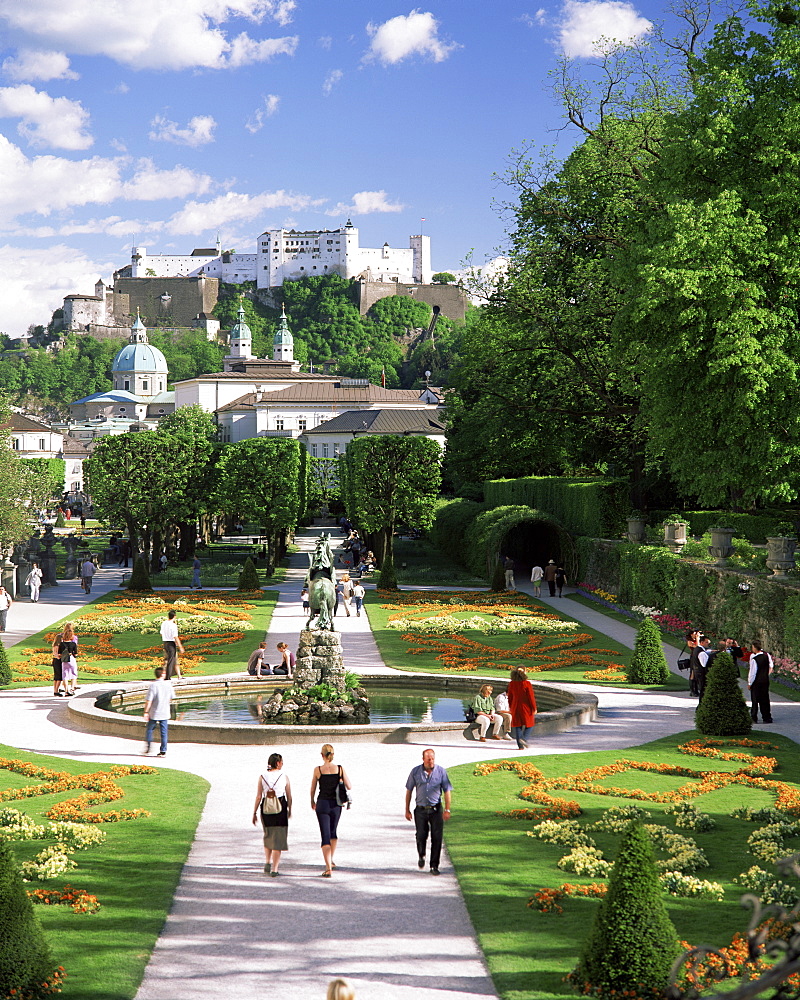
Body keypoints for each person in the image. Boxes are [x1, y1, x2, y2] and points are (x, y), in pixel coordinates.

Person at [405, 748, 452, 876]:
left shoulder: (441, 772)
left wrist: (447, 809)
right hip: (420, 809)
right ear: (423, 759)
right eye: (428, 759)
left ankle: (434, 865)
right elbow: (409, 790)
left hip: (436, 809)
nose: (431, 761)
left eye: (432, 759)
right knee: (421, 835)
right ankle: (421, 854)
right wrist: (407, 810)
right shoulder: (415, 772)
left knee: (437, 838)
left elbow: (447, 791)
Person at [310, 743, 352, 877]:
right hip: (336, 805)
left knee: (325, 835)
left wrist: (312, 800)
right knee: (333, 833)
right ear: (333, 755)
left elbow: (313, 789)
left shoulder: (318, 770)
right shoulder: (340, 769)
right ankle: (331, 860)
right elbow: (349, 786)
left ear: (322, 755)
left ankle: (328, 868)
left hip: (322, 804)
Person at [252, 752, 292, 876]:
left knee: (268, 835)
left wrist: (254, 812)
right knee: (278, 838)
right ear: (278, 763)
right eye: (282, 762)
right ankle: (274, 869)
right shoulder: (284, 776)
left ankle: (267, 861)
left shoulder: (262, 776)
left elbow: (259, 796)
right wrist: (290, 808)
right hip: (280, 806)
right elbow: (289, 795)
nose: (283, 764)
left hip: (266, 807)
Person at [142, 665, 172, 757]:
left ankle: (148, 748)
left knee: (150, 730)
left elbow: (149, 700)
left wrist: (146, 711)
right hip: (165, 712)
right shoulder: (168, 684)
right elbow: (171, 698)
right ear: (163, 674)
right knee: (164, 732)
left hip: (154, 712)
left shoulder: (153, 685)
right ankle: (163, 750)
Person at [508, 666, 537, 748]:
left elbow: (510, 697)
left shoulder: (512, 684)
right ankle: (524, 739)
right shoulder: (526, 683)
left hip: (515, 706)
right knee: (530, 724)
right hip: (526, 706)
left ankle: (520, 746)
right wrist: (534, 708)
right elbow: (531, 697)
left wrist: (511, 707)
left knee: (518, 725)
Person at [748, 641, 773, 724]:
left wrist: (750, 683)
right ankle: (767, 717)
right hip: (765, 680)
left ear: (755, 648)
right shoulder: (766, 656)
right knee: (765, 699)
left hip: (757, 681)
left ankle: (754, 716)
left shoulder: (754, 659)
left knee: (755, 700)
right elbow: (770, 666)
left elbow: (753, 673)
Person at [160, 610, 185, 680]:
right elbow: (175, 636)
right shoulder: (173, 625)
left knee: (169, 659)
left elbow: (161, 633)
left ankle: (178, 675)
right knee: (171, 660)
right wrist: (180, 646)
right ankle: (167, 677)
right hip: (171, 643)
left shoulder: (164, 623)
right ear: (174, 616)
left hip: (165, 642)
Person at [58, 622, 79, 696]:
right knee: (73, 674)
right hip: (71, 658)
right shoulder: (73, 643)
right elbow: (75, 653)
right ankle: (72, 688)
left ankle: (66, 690)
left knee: (65, 675)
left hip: (64, 659)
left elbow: (59, 653)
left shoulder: (61, 643)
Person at [51, 629, 66, 697]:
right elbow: (56, 654)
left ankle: (56, 689)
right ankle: (56, 691)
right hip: (57, 661)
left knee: (56, 676)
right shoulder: (57, 646)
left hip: (55, 660)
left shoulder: (54, 645)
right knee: (59, 676)